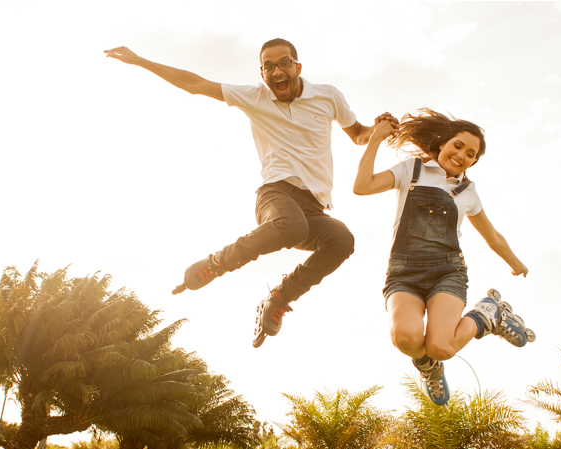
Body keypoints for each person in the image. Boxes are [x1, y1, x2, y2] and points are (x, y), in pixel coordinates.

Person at [104, 39, 396, 347]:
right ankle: (218, 263)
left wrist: (377, 132)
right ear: (262, 74)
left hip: (313, 208)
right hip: (276, 196)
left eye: (284, 63)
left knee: (342, 240)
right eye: (268, 67)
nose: (276, 71)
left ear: (297, 67)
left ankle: (279, 299)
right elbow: (195, 84)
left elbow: (359, 134)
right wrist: (140, 61)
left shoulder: (328, 96)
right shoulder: (255, 97)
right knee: (292, 225)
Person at [353, 109, 534, 405]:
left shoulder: (467, 192)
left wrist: (515, 263)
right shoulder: (411, 169)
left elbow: (492, 235)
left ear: (474, 162)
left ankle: (489, 314)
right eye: (458, 145)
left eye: (471, 154)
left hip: (447, 272)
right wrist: (374, 140)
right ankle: (428, 367)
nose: (462, 155)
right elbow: (361, 186)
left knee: (441, 346)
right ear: (442, 143)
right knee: (406, 338)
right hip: (404, 272)